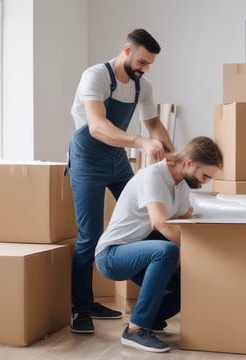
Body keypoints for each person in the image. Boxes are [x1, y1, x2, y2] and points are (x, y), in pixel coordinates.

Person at [67, 28, 175, 334]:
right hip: (87, 160)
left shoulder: (144, 85)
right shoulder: (96, 76)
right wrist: (140, 142)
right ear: (127, 51)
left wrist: (173, 156)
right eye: (142, 61)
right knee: (89, 234)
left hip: (116, 161)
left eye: (149, 64)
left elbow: (154, 125)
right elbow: (98, 126)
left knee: (147, 219)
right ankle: (81, 308)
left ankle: (153, 294)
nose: (144, 69)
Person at [94, 136, 223, 353]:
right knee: (167, 250)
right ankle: (135, 330)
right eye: (204, 176)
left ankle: (151, 321)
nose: (204, 182)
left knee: (190, 284)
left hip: (142, 252)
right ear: (189, 163)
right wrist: (201, 251)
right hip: (112, 255)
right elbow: (160, 223)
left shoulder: (181, 186)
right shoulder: (153, 175)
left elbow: (186, 222)